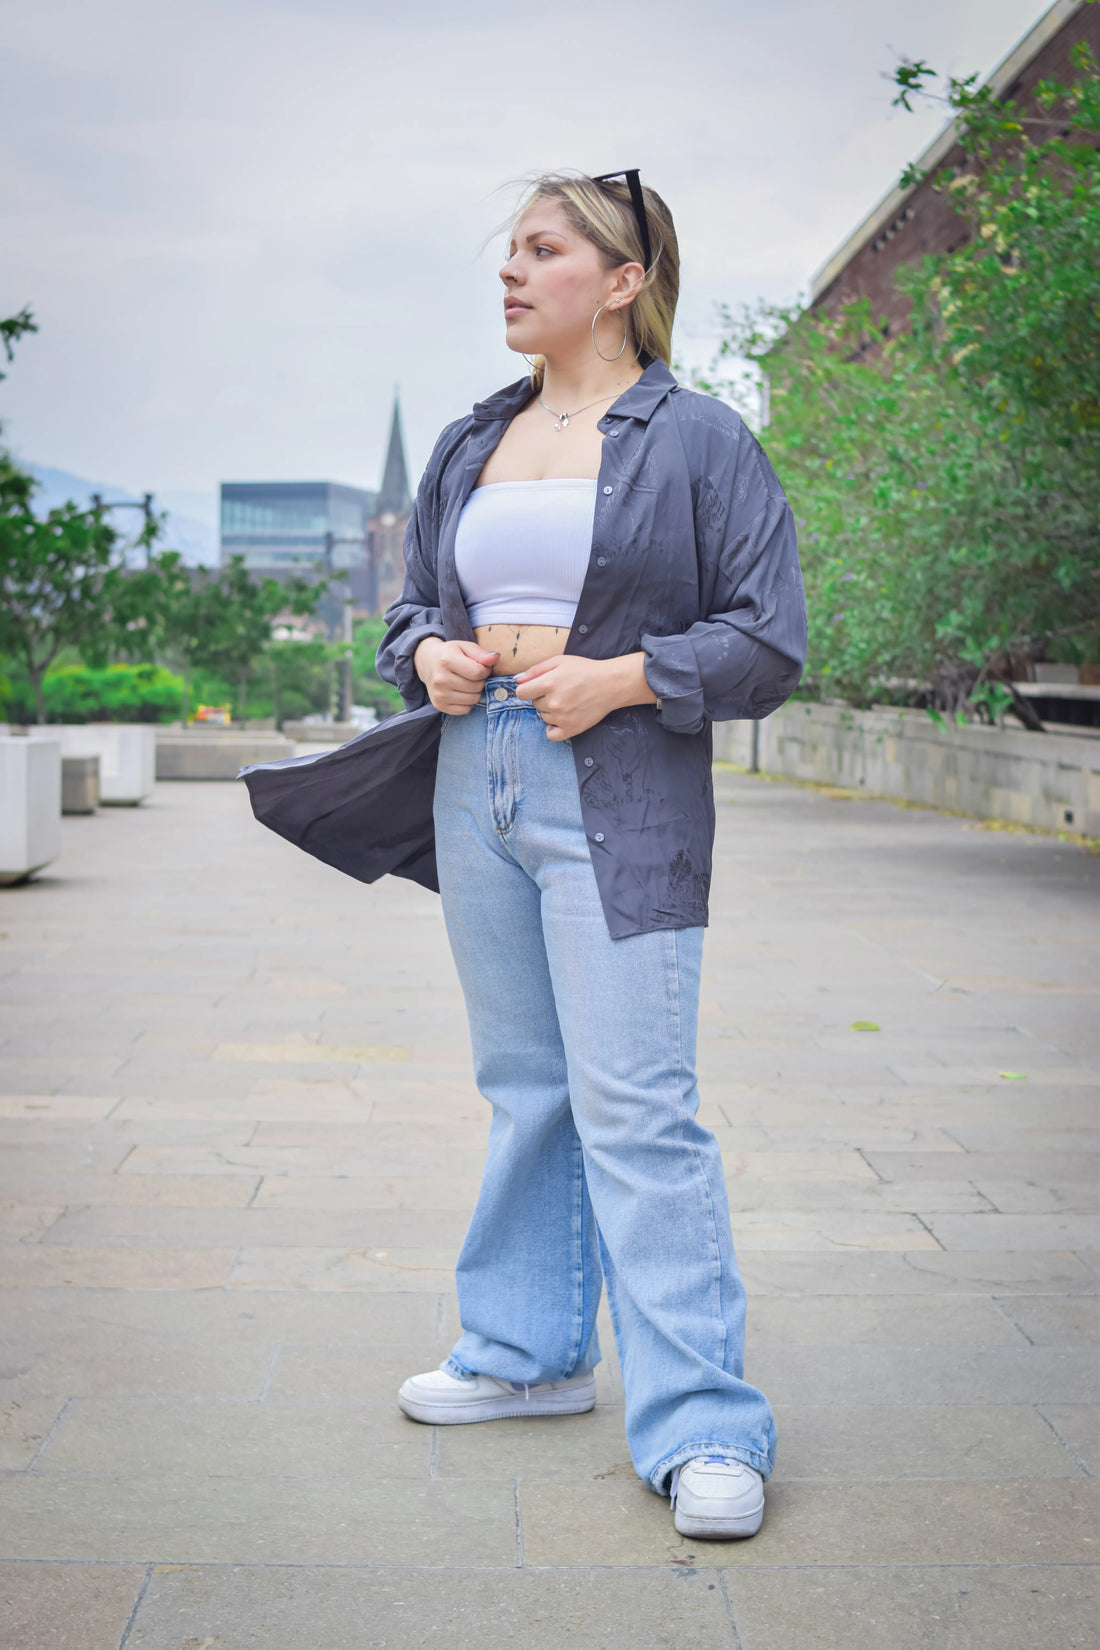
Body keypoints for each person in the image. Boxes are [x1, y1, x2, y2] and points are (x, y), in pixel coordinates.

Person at [376, 169, 807, 1540]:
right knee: (528, 1084)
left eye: (543, 249)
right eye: (509, 249)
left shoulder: (700, 440)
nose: (512, 271)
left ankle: (704, 1427)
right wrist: (429, 652)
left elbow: (770, 636)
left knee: (639, 1105)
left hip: (618, 790)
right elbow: (408, 609)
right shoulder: (471, 438)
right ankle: (527, 1353)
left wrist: (622, 676)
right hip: (476, 775)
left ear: (622, 280)